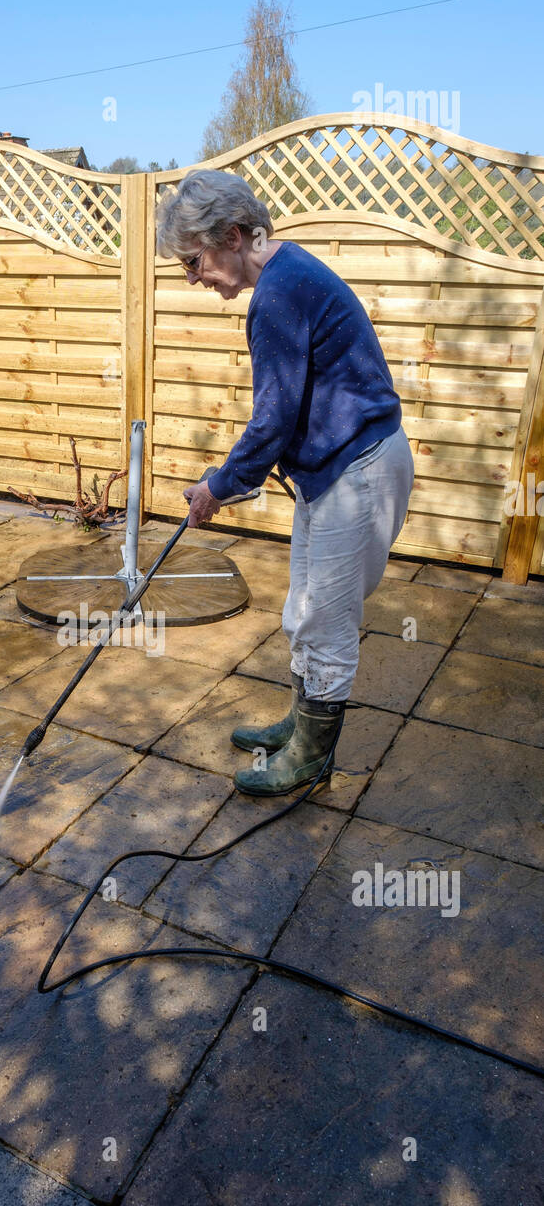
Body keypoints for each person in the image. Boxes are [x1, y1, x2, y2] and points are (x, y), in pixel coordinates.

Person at [156, 169, 414, 796]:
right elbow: (289, 414)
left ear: (234, 234)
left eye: (194, 261)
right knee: (302, 609)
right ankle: (300, 724)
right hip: (335, 471)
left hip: (356, 472)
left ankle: (311, 759)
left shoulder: (278, 295)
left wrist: (219, 487)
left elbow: (273, 419)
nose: (193, 277)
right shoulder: (288, 272)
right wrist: (226, 480)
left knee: (324, 621)